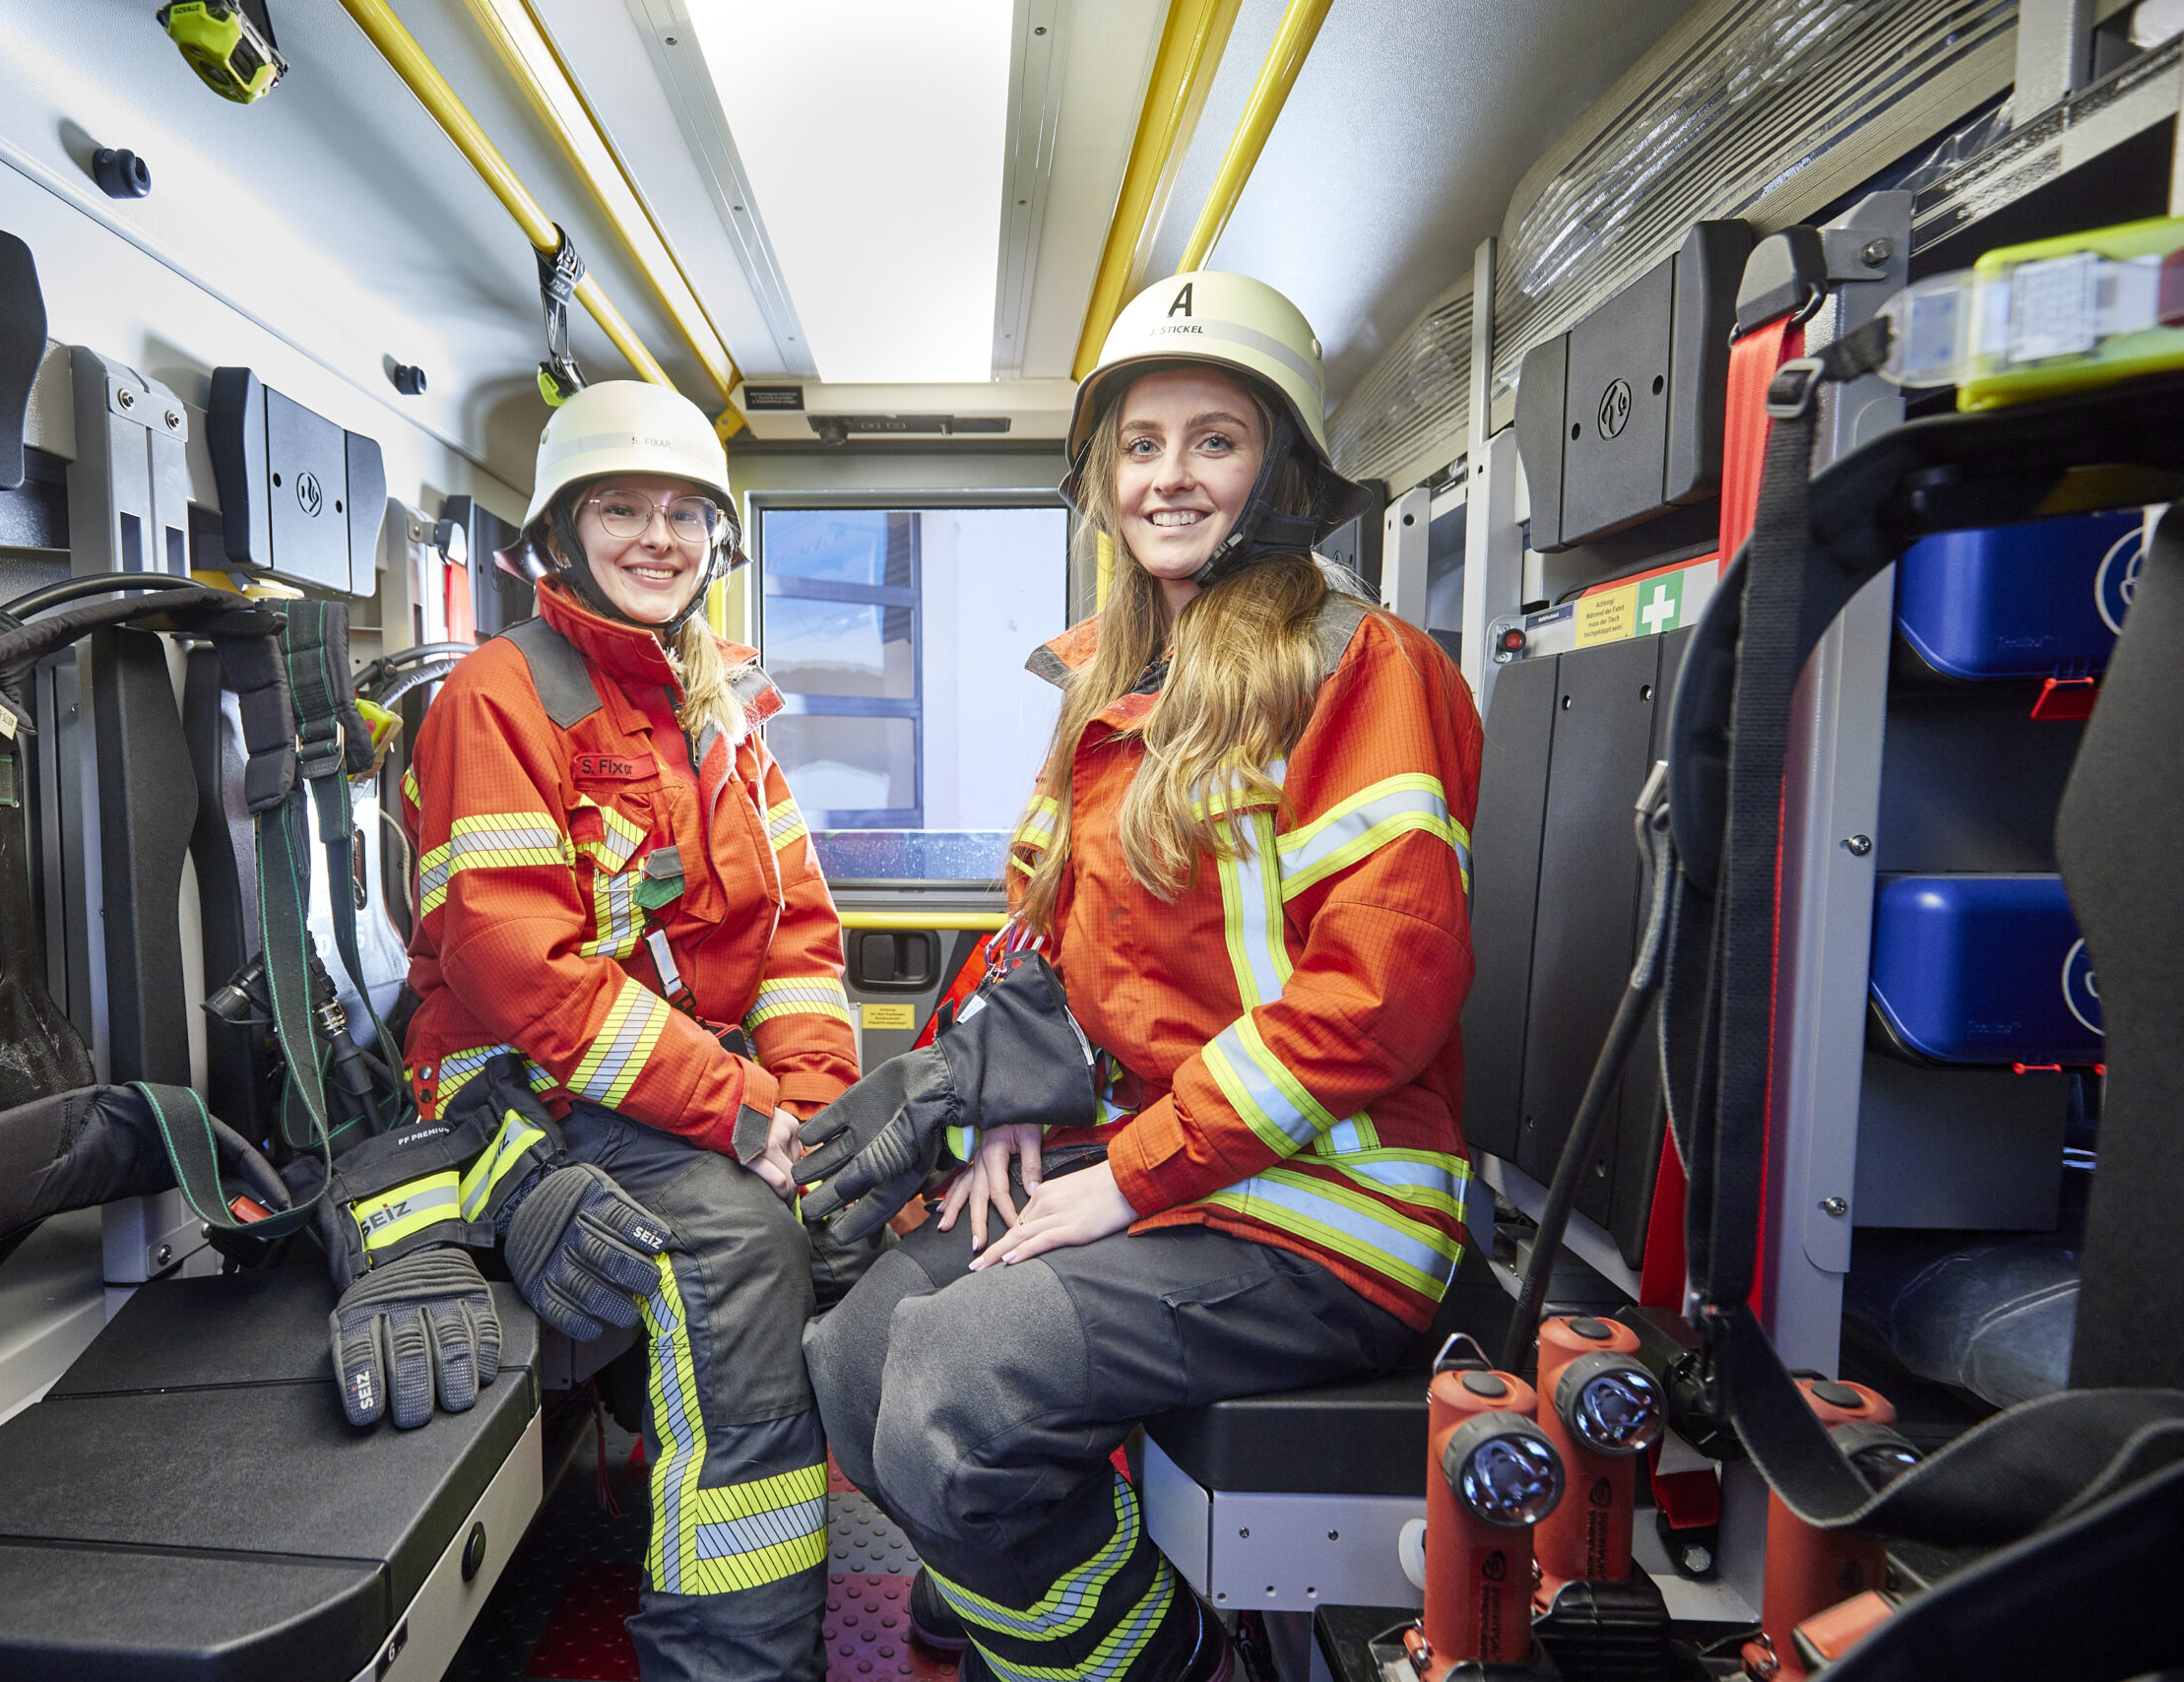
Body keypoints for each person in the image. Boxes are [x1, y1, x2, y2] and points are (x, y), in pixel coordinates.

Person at [799, 271, 1485, 1682]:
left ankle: (1158, 1663)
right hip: (1171, 1179)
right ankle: (1042, 1605)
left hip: (1324, 1208)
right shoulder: (1116, 695)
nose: (1171, 476)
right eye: (1141, 443)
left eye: (1215, 438)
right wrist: (1004, 1098)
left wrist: (1121, 1177)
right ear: (1103, 478)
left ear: (1280, 470)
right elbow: (1049, 938)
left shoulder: (1361, 665)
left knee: (953, 1379)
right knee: (857, 1349)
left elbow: (1384, 987)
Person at [393, 380, 860, 1681]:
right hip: (527, 1089)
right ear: (561, 534)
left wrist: (812, 1115)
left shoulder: (722, 716)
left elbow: (798, 944)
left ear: (718, 542)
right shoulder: (497, 698)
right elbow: (517, 971)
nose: (655, 537)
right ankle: (729, 1658)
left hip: (684, 1085)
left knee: (865, 1206)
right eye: (619, 509)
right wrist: (745, 1118)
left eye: (681, 515)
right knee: (735, 1249)